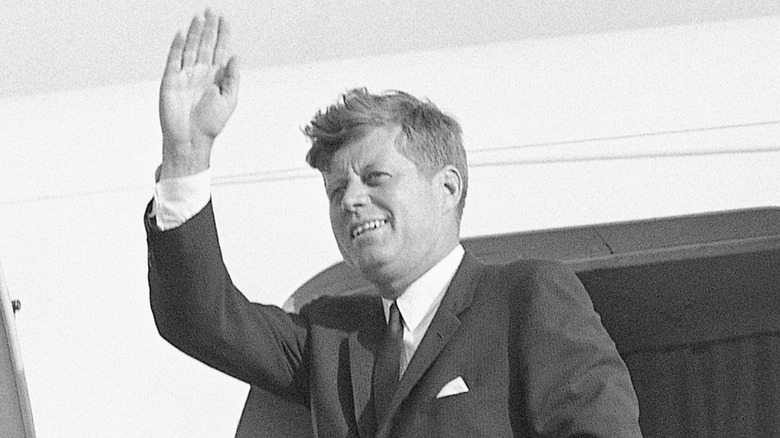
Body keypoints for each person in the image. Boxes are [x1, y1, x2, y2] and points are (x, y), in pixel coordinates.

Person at [146, 10, 642, 438]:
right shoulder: (329, 335)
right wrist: (186, 155)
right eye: (336, 191)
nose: (352, 201)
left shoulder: (526, 298)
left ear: (447, 188)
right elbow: (200, 318)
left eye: (375, 177)